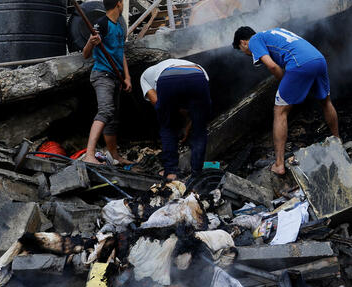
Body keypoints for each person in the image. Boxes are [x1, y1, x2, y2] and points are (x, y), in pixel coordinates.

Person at [233, 26, 339, 175]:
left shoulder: (254, 40)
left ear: (243, 42)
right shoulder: (275, 31)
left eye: (242, 50)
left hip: (299, 63)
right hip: (318, 59)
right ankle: (337, 142)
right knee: (326, 102)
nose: (246, 53)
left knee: (279, 111)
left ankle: (279, 164)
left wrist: (285, 82)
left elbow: (272, 66)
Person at [81, 0, 132, 164]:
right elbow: (86, 54)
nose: (123, 5)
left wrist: (127, 77)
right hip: (102, 75)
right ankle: (89, 155)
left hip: (116, 77)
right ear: (119, 3)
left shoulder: (118, 25)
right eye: (123, 2)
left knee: (113, 118)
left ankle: (115, 156)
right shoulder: (101, 24)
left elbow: (120, 52)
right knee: (105, 111)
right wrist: (91, 42)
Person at [140, 59, 211, 181]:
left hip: (167, 80)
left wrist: (182, 126)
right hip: (197, 75)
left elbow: (159, 106)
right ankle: (196, 175)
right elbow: (193, 110)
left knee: (167, 127)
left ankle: (171, 172)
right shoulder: (192, 64)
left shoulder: (145, 76)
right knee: (199, 129)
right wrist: (189, 123)